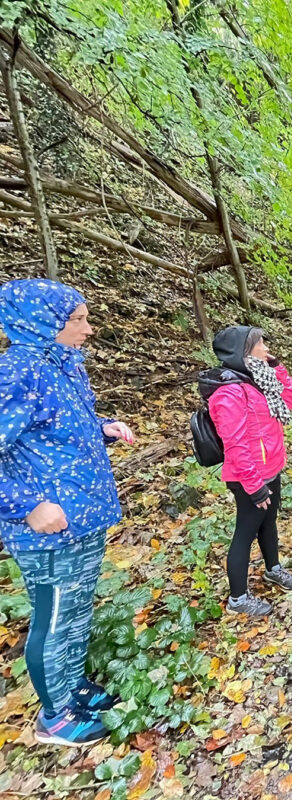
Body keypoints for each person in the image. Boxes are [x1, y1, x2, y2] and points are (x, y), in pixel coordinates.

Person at [0, 279, 135, 747]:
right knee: (53, 617)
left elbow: (57, 425)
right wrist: (27, 506)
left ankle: (72, 687)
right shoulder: (17, 372)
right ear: (41, 321)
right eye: (76, 319)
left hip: (83, 513)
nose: (88, 328)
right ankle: (54, 717)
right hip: (48, 527)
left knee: (75, 612)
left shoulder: (62, 365)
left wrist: (104, 427)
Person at [199, 325, 292, 617]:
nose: (266, 348)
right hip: (248, 476)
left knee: (269, 522)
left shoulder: (257, 379)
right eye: (260, 344)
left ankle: (273, 568)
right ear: (243, 351)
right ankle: (238, 598)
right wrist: (254, 485)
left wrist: (277, 368)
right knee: (245, 531)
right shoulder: (228, 392)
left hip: (270, 467)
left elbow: (287, 401)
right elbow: (236, 444)